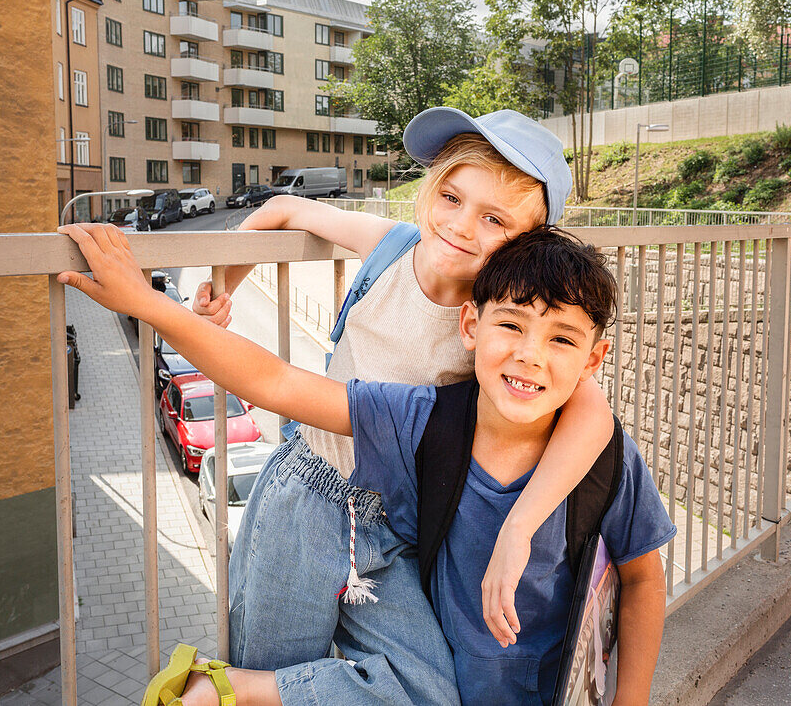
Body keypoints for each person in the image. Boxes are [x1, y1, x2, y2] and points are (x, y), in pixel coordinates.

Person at [56, 225, 675, 706]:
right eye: (510, 325)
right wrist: (150, 305)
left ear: (595, 359)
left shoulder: (605, 463)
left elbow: (643, 579)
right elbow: (275, 381)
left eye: (562, 339)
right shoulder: (425, 421)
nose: (530, 356)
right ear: (470, 324)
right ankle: (235, 687)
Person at [196, 110, 615, 690]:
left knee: (428, 688)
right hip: (307, 496)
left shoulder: (502, 321)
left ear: (529, 244)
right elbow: (281, 211)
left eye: (494, 219)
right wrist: (221, 289)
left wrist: (520, 528)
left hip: (391, 526)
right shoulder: (394, 247)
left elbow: (594, 413)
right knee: (271, 669)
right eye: (451, 196)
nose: (461, 227)